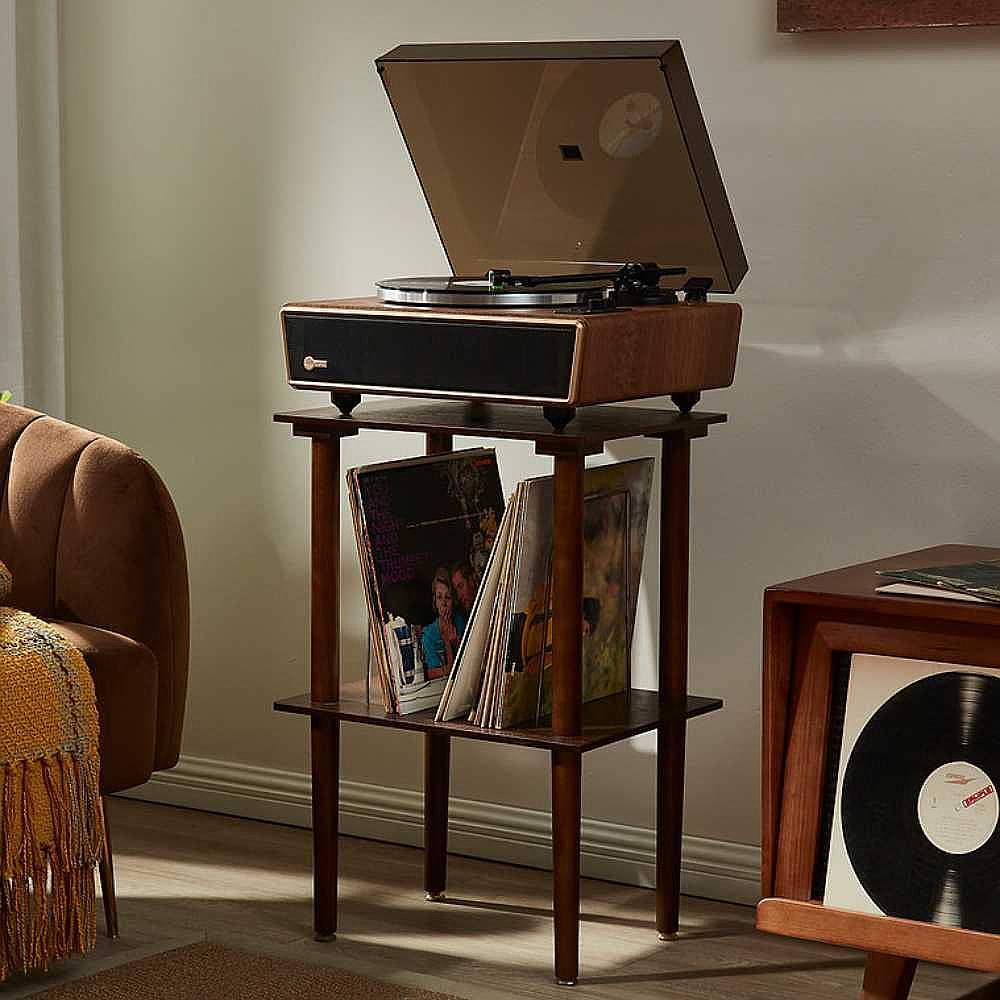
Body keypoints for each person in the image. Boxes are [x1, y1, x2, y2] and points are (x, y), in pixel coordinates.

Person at [422, 567, 467, 678]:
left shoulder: (460, 622)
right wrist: (447, 641)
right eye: (439, 597)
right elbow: (434, 672)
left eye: (447, 597)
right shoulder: (428, 634)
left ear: (453, 600)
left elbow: (466, 662)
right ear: (435, 602)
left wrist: (455, 642)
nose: (443, 603)